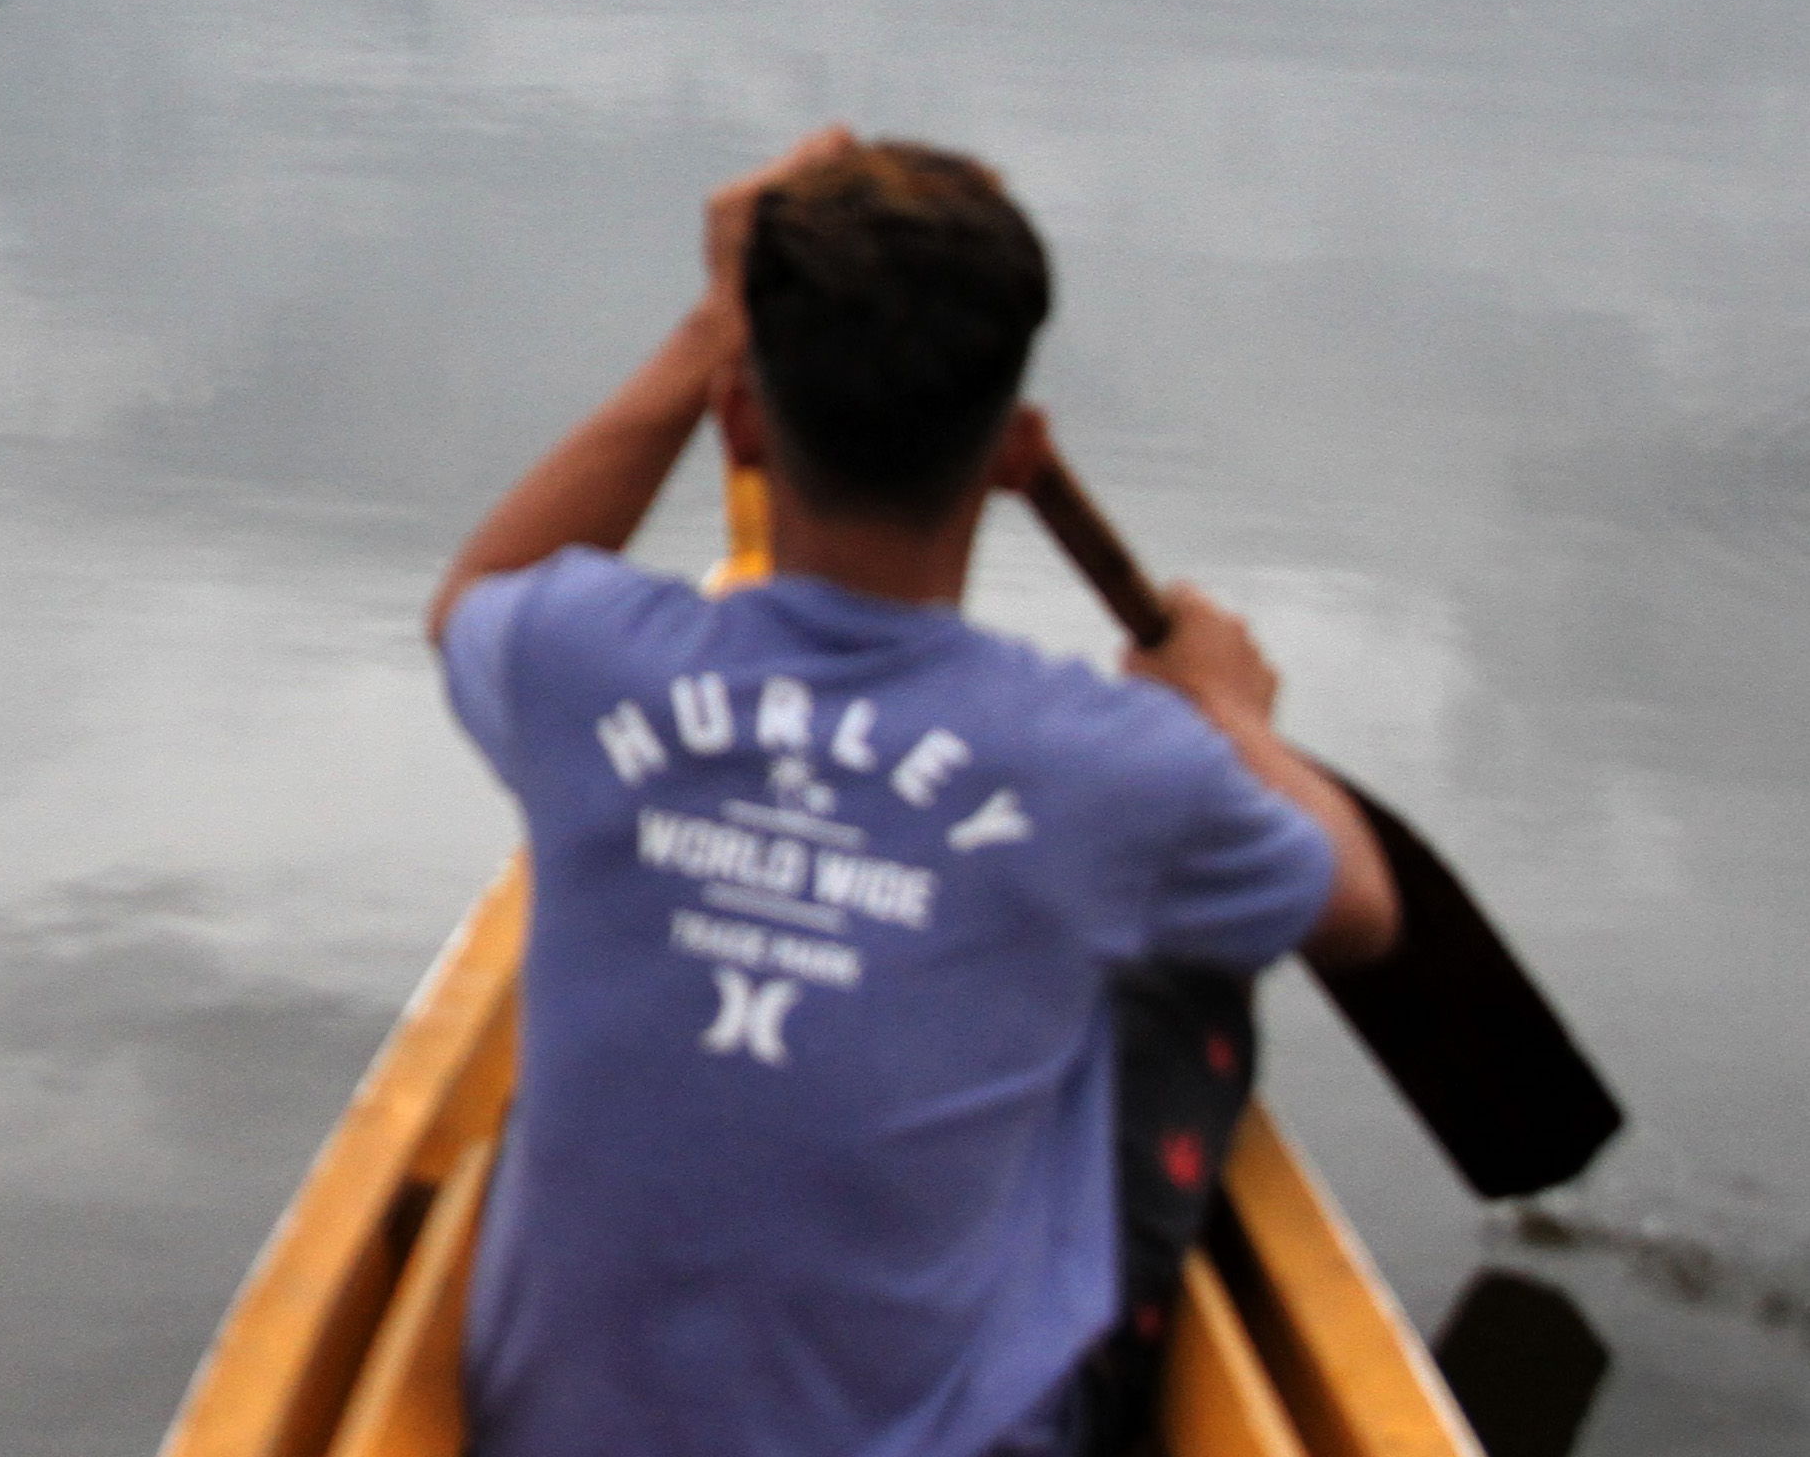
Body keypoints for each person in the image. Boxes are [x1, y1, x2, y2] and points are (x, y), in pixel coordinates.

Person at [427, 131, 1399, 1457]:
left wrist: (709, 324)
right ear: (1012, 454)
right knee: (1171, 966)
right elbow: (1355, 904)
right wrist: (1224, 711)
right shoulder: (1113, 764)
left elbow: (471, 600)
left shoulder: (578, 662)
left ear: (739, 417)